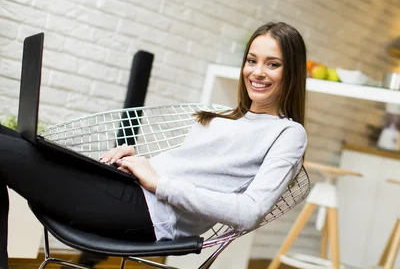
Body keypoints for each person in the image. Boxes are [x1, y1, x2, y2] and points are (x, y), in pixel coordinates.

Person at [0, 21, 308, 267]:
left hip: (146, 214)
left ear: (291, 72)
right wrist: (140, 161)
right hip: (128, 187)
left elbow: (250, 211)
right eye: (252, 60)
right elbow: (189, 169)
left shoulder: (288, 133)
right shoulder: (224, 117)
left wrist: (159, 182)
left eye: (273, 64)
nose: (257, 72)